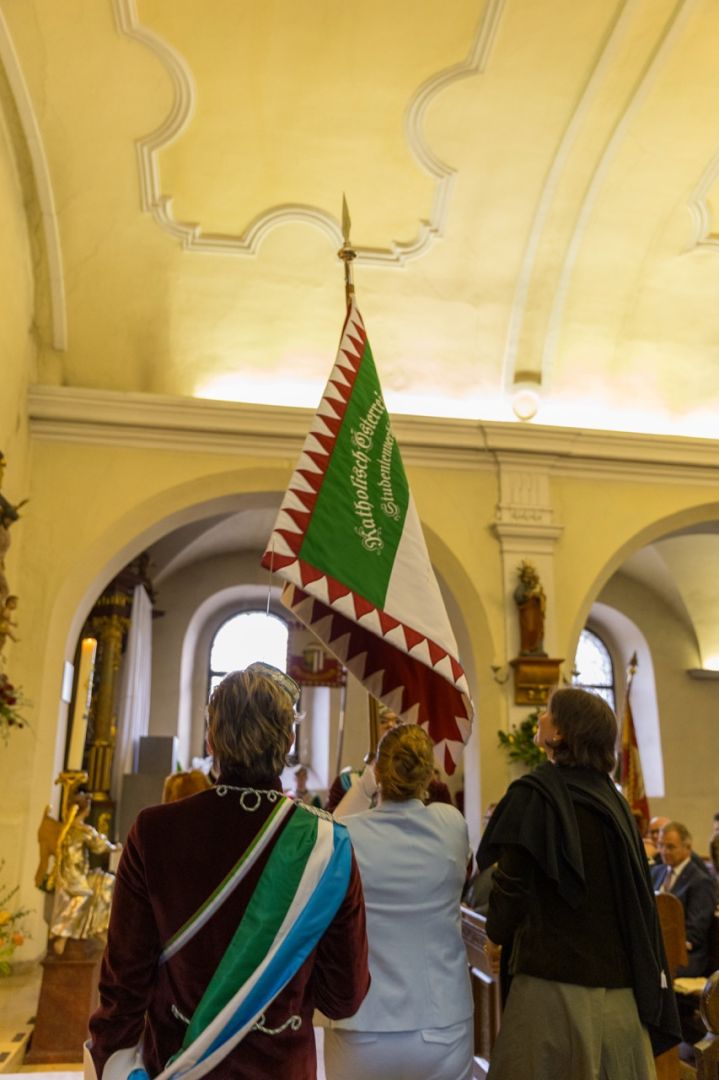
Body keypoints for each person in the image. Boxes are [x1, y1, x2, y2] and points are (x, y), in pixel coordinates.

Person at [87, 663, 370, 1080]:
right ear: (288, 741)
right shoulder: (326, 843)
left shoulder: (154, 831)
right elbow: (343, 997)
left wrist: (112, 1061)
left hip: (179, 1065)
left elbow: (123, 987)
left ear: (211, 738)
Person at [477, 687, 680, 1079]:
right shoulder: (617, 804)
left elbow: (510, 886)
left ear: (560, 734)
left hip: (551, 995)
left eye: (547, 711)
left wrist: (496, 936)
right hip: (619, 997)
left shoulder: (532, 797)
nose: (540, 716)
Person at [324, 724, 473, 1080]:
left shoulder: (345, 834)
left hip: (362, 1024)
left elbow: (326, 831)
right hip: (442, 1019)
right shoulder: (452, 824)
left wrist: (365, 785)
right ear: (428, 774)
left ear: (378, 771)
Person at [46, 792, 118, 956]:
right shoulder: (83, 829)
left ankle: (99, 930)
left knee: (106, 882)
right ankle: (63, 935)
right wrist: (116, 847)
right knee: (85, 896)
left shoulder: (67, 828)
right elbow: (100, 845)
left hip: (74, 873)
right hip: (73, 876)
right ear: (85, 809)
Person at [651, 821, 716, 978]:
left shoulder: (701, 881)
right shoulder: (655, 872)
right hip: (655, 949)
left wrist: (663, 947)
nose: (664, 851)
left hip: (687, 957)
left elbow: (695, 932)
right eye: (661, 845)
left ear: (687, 848)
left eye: (670, 847)